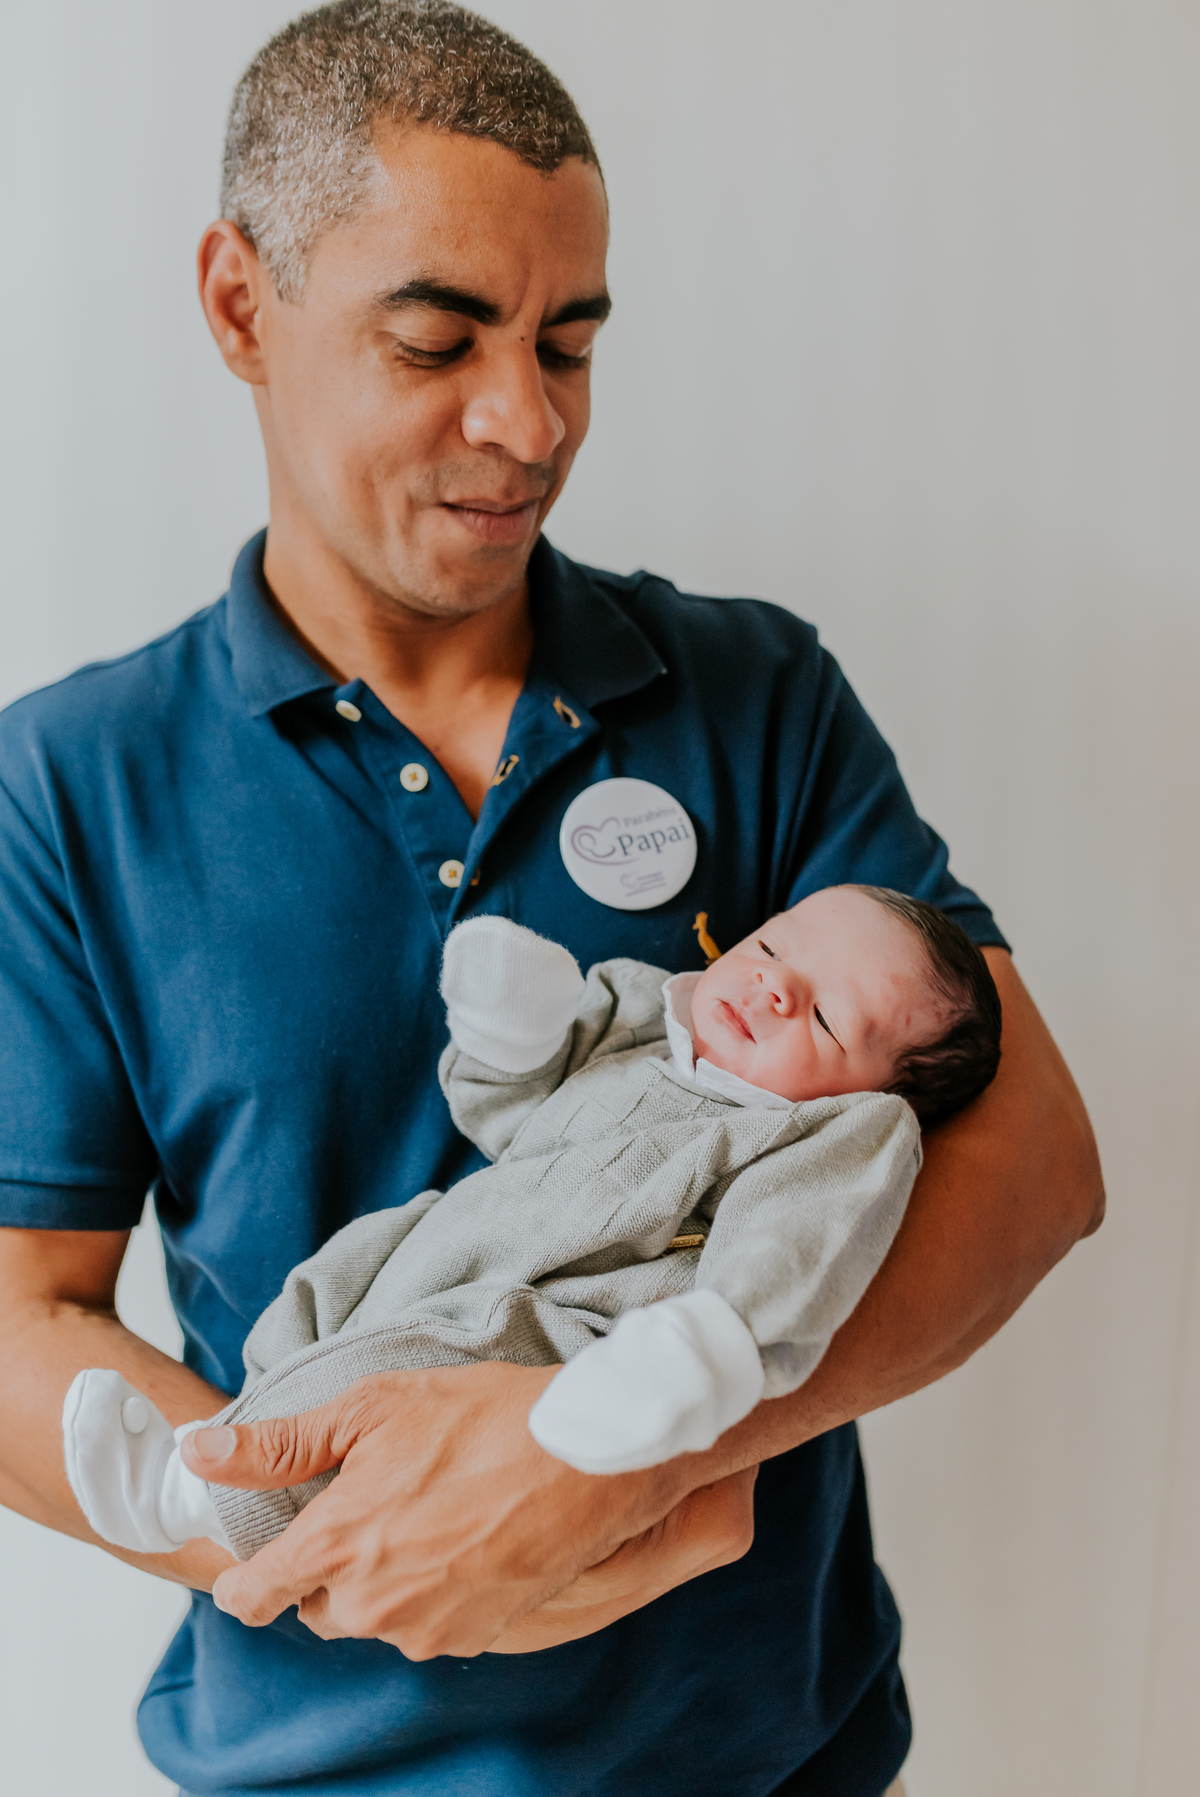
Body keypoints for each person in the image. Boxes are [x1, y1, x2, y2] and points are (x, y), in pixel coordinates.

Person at [0, 4, 1102, 1794]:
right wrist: (362, 1539)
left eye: (569, 343)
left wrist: (609, 1463)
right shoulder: (68, 784)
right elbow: (17, 1309)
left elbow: (1035, 1152)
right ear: (237, 305)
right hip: (316, 1760)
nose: (526, 423)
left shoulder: (751, 693)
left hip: (775, 1754)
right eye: (440, 338)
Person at [61, 887, 1002, 1567]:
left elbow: (796, 1247)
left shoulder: (837, 1133)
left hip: (554, 1311)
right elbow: (509, 1110)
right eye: (767, 947)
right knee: (328, 1291)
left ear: (884, 1096)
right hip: (452, 1240)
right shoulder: (646, 1015)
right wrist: (518, 1028)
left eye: (829, 1016)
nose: (771, 988)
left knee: (381, 1378)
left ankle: (187, 1496)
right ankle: (225, 1442)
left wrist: (714, 1343)